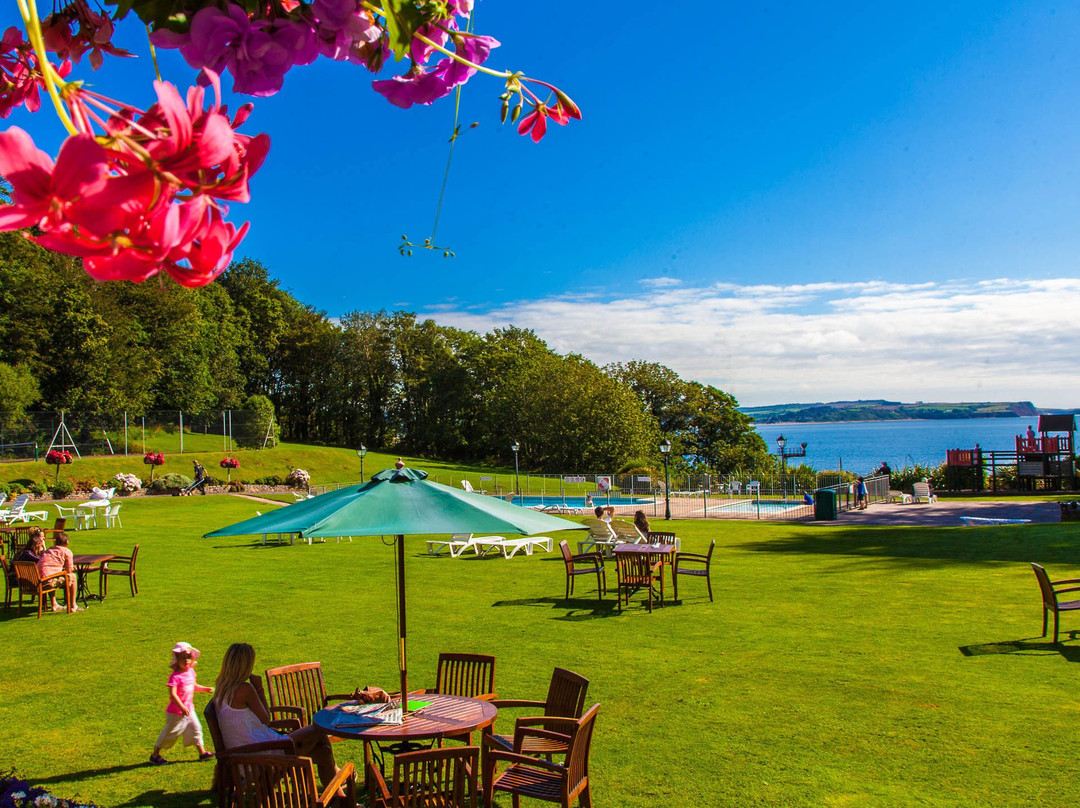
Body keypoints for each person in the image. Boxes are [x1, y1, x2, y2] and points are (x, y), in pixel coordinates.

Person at [212, 643, 385, 791]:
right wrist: (259, 688)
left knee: (323, 753)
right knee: (319, 730)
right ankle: (338, 782)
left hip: (248, 754)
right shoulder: (245, 690)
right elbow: (266, 719)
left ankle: (339, 798)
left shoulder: (221, 690)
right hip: (263, 754)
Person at [150, 642, 215, 765]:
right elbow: (173, 695)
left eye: (188, 658)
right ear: (177, 659)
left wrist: (205, 689)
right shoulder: (175, 677)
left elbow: (192, 686)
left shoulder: (190, 672)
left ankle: (202, 753)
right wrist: (181, 707)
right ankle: (155, 755)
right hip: (176, 712)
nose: (186, 660)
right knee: (170, 733)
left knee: (196, 728)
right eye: (183, 658)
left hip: (189, 709)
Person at [37, 531, 80, 613]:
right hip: (48, 582)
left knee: (49, 575)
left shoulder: (49, 550)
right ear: (67, 543)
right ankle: (73, 605)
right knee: (73, 577)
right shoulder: (66, 551)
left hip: (38, 581)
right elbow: (69, 571)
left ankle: (54, 604)